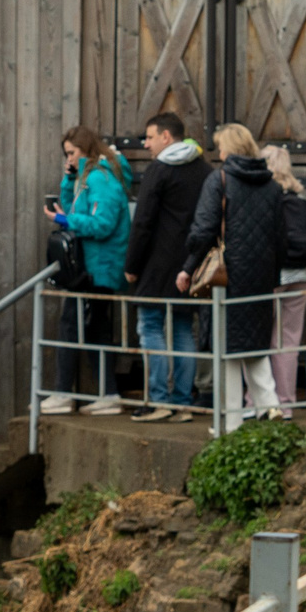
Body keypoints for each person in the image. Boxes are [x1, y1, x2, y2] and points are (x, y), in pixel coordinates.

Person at [177, 124, 281, 435]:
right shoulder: (272, 186)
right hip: (260, 277)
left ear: (230, 150)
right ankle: (271, 406)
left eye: (221, 147)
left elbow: (203, 230)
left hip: (226, 276)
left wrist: (188, 267)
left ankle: (232, 424)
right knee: (253, 344)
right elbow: (281, 238)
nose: (218, 153)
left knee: (228, 348)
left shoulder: (219, 180)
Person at [123, 112, 211, 422]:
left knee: (149, 326)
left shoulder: (159, 171)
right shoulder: (204, 170)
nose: (145, 144)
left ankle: (158, 401)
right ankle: (183, 403)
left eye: (149, 137)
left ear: (166, 137)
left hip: (156, 266)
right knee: (184, 330)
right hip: (190, 265)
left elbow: (143, 222)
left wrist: (132, 265)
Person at [42, 125, 134, 416]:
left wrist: (66, 221)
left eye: (72, 153)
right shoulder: (89, 177)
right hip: (91, 268)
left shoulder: (102, 178)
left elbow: (103, 225)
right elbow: (74, 211)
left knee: (73, 326)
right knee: (94, 331)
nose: (68, 158)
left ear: (86, 149)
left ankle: (65, 394)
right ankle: (106, 394)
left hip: (98, 270)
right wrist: (69, 180)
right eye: (66, 154)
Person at [269, 144, 306, 416]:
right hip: (301, 277)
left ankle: (260, 403)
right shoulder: (301, 200)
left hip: (272, 277)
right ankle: (286, 404)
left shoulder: (267, 199)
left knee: (262, 339)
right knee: (289, 342)